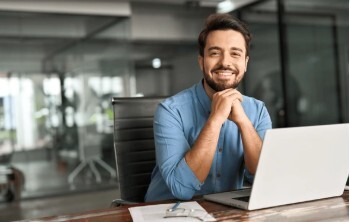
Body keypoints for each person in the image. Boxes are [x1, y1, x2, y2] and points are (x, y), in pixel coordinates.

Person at [145, 13, 272, 202]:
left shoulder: (258, 110)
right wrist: (216, 119)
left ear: (245, 63)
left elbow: (264, 179)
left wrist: (244, 123)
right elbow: (182, 189)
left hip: (225, 211)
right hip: (166, 212)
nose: (225, 62)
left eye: (235, 54)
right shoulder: (170, 111)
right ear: (201, 61)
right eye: (215, 53)